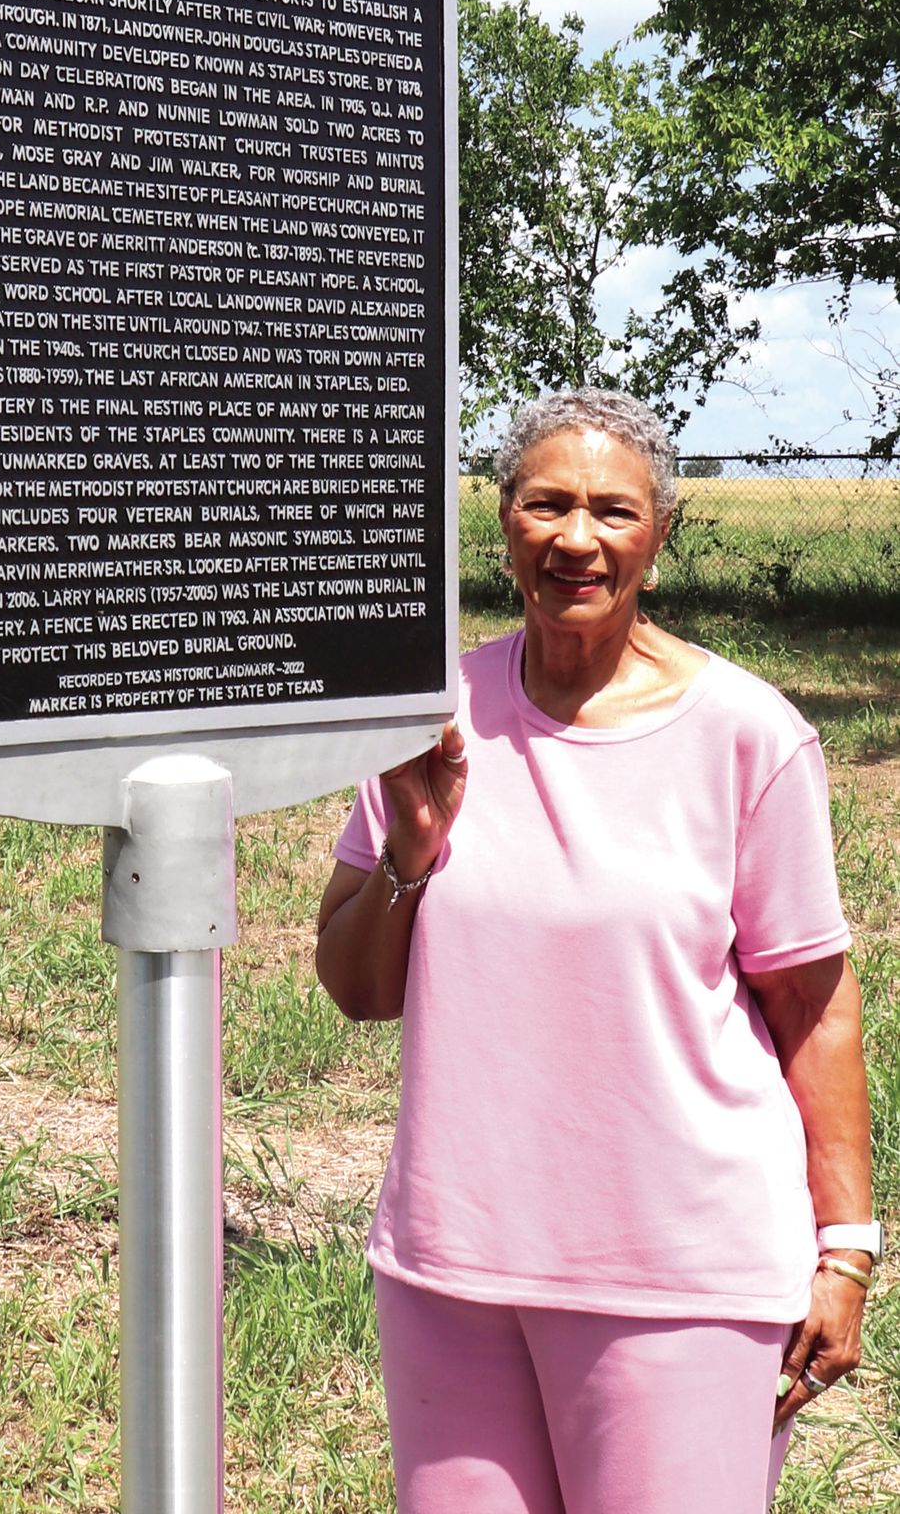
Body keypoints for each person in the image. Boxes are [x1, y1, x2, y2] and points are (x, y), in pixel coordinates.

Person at [316, 389, 877, 1514]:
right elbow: (354, 984)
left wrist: (849, 1249)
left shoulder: (747, 734)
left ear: (658, 537)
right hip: (454, 1264)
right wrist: (412, 858)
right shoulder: (431, 709)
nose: (578, 536)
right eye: (548, 503)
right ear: (506, 521)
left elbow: (816, 1006)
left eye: (613, 511)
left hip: (681, 1275)